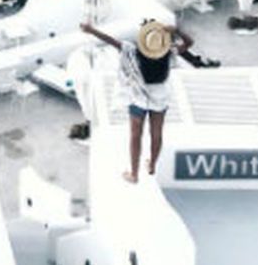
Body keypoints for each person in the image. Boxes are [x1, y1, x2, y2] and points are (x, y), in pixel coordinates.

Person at [80, 17, 193, 182]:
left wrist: (91, 30)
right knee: (156, 134)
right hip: (159, 98)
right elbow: (190, 43)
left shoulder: (132, 51)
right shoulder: (168, 53)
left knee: (135, 135)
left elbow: (111, 41)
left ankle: (134, 174)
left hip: (138, 96)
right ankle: (152, 165)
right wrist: (176, 30)